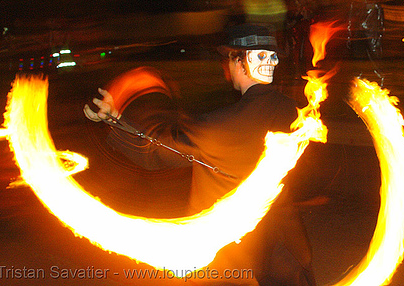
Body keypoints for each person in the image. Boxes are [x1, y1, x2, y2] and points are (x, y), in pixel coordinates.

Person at [84, 23, 316, 285]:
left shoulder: (221, 124)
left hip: (234, 258)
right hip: (286, 248)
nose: (226, 67)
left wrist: (113, 118)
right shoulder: (296, 113)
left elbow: (156, 150)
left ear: (241, 63)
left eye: (229, 58)